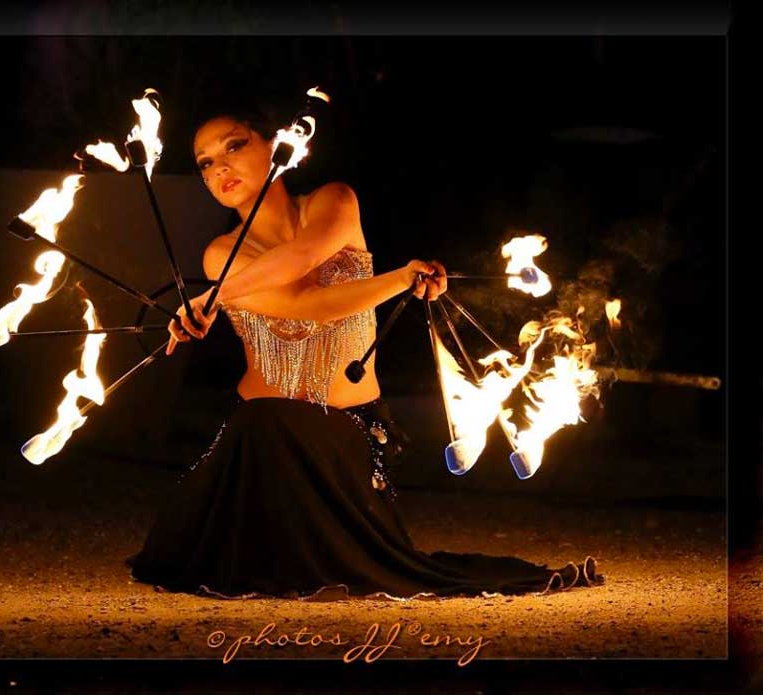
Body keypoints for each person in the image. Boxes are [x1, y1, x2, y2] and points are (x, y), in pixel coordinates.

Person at [126, 101, 603, 600]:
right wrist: (218, 288)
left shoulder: (334, 202)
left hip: (349, 428)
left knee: (355, 555)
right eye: (204, 162)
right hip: (264, 438)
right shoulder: (221, 254)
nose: (218, 166)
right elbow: (303, 307)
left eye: (234, 145)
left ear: (276, 145)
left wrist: (211, 296)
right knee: (269, 422)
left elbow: (306, 259)